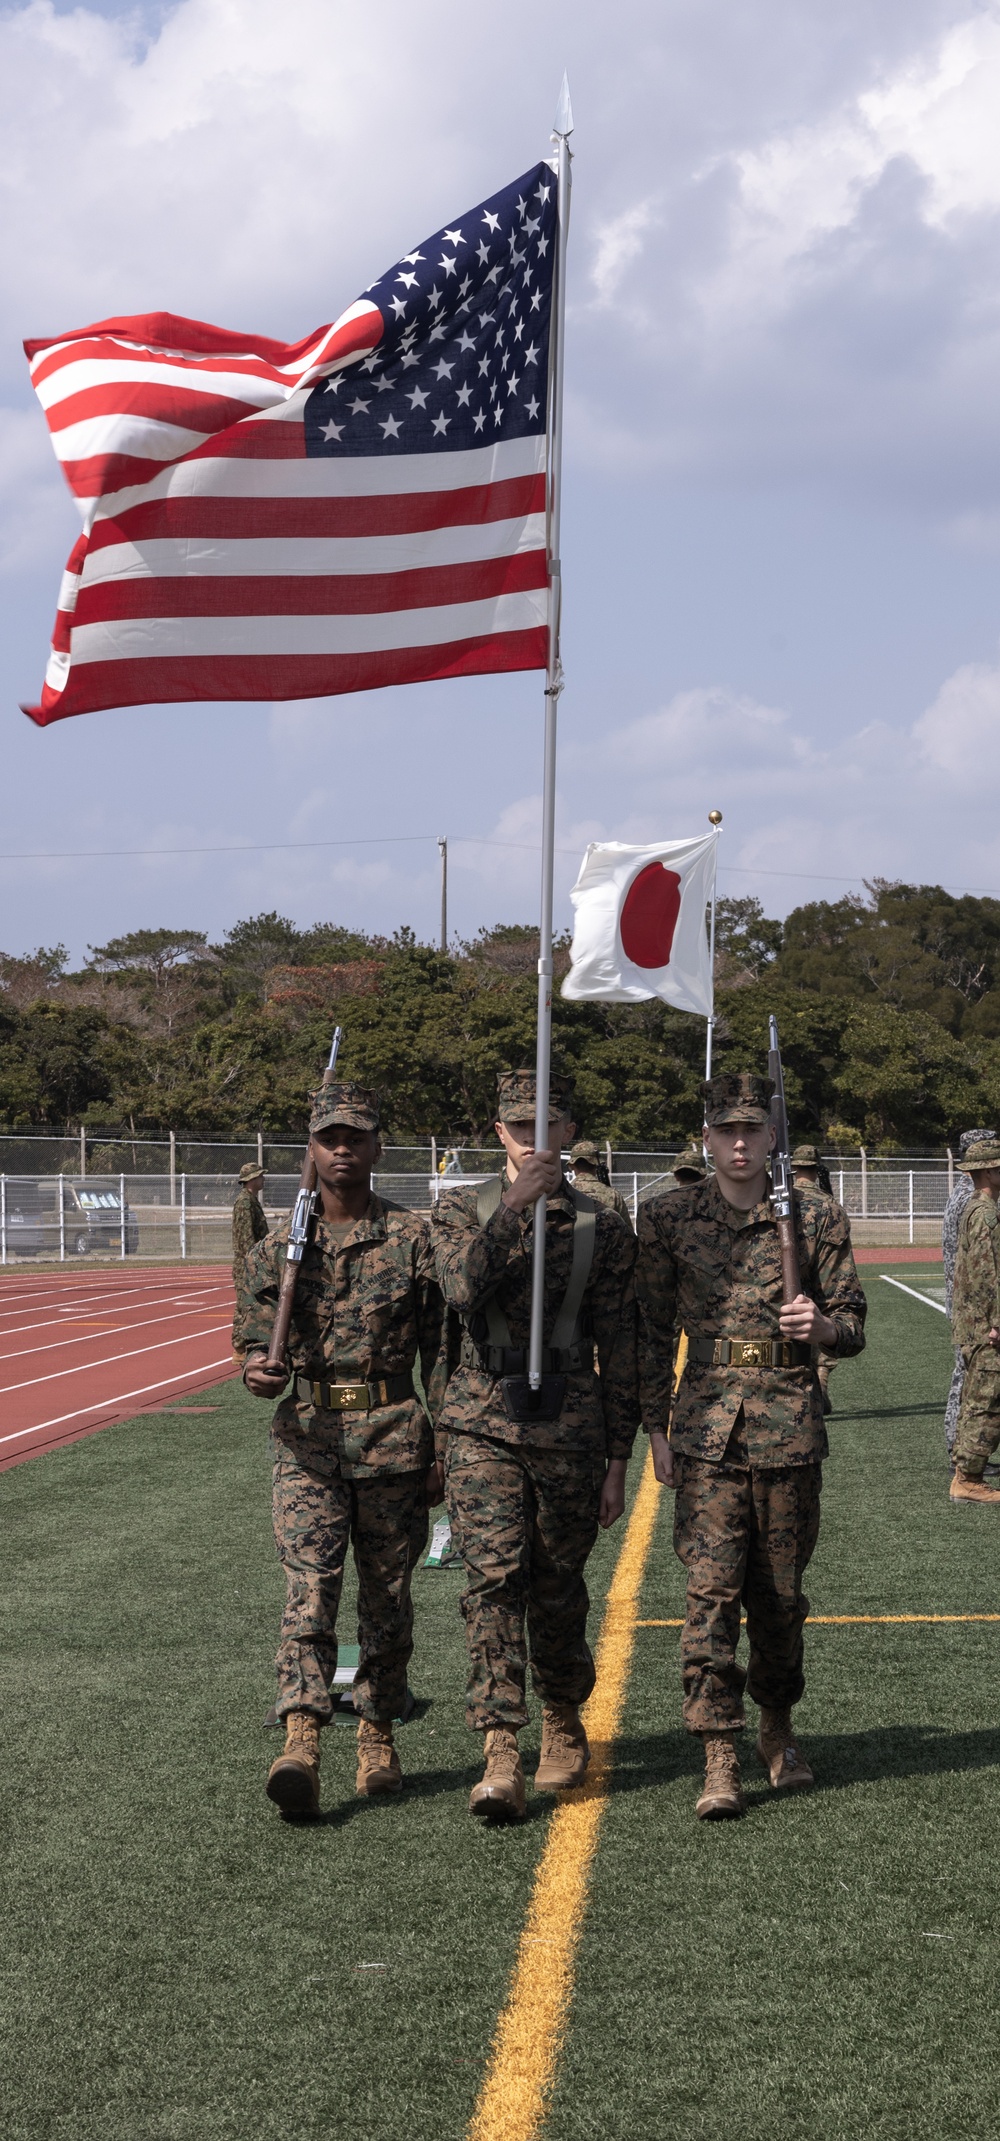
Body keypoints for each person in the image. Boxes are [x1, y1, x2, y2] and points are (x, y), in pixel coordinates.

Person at [637, 1071, 867, 1822]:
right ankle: (718, 1750)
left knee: (781, 1596)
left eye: (752, 1130)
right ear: (706, 1137)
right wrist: (654, 1430)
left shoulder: (815, 1218)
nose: (740, 1143)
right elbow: (650, 1335)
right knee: (710, 1595)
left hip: (789, 1428)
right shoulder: (668, 1217)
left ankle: (778, 1728)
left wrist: (823, 1329)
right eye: (726, 1130)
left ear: (772, 1136)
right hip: (706, 1430)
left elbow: (854, 1320)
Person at [431, 1069, 640, 1823]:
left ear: (570, 1134)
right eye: (519, 1130)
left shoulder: (603, 1225)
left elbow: (621, 1347)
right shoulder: (460, 1210)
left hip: (571, 1426)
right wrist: (514, 1211)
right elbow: (459, 1292)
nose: (533, 1143)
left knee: (556, 1583)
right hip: (481, 1420)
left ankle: (560, 1708)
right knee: (492, 1581)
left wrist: (621, 1458)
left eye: (547, 1128)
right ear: (498, 1134)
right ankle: (498, 1743)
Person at [241, 1081, 446, 1819]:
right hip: (310, 1443)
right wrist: (257, 1371)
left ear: (377, 1147)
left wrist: (443, 1446)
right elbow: (251, 1342)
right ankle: (301, 1737)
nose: (341, 1150)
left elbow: (441, 1353)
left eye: (355, 1137)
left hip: (394, 1437)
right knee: (310, 1590)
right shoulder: (278, 1248)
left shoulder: (412, 1236)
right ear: (312, 1149)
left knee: (387, 1601)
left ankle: (378, 1732)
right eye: (329, 1138)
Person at [948, 1138, 1000, 1504]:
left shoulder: (976, 1208)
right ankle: (968, 1478)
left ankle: (964, 1469)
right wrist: (997, 1321)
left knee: (974, 1398)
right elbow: (986, 1273)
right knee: (987, 1400)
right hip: (986, 1326)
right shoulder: (984, 1213)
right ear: (986, 1171)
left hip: (974, 1324)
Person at [791, 1144, 845, 1417]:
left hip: (791, 1282)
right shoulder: (829, 1203)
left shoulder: (784, 1199)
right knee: (823, 1330)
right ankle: (822, 1379)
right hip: (823, 1281)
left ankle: (807, 1392)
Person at [231, 1161, 268, 1358]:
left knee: (251, 1303)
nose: (263, 1179)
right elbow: (246, 1238)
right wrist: (252, 1263)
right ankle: (239, 1346)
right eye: (260, 1176)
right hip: (247, 1263)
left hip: (252, 1261)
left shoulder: (251, 1200)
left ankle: (245, 1343)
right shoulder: (245, 1202)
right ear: (252, 1179)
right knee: (243, 1304)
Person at [568, 1139, 633, 1225]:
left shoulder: (564, 1193)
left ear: (571, 1165)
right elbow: (627, 1234)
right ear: (597, 1164)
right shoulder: (613, 1195)